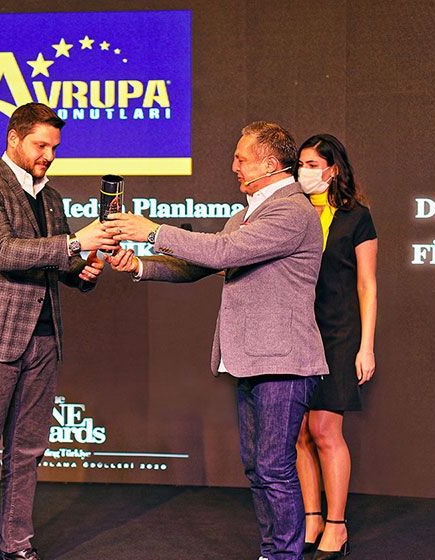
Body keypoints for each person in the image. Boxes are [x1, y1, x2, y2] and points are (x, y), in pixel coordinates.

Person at [103, 121, 328, 560]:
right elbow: (202, 264)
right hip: (252, 360)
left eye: (241, 159)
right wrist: (140, 266)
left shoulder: (292, 211)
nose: (234, 166)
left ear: (270, 164)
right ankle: (272, 552)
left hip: (283, 363)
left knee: (274, 469)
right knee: (258, 469)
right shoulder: (245, 216)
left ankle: (283, 556)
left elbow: (223, 252)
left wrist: (151, 231)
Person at [0, 102, 115, 560]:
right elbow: (4, 252)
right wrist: (76, 242)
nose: (49, 155)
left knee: (27, 451)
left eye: (54, 148)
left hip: (43, 339)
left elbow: (58, 262)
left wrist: (85, 268)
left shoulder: (52, 198)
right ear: (13, 139)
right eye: (41, 145)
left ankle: (17, 545)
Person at [293, 134, 377, 560]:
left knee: (325, 430)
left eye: (312, 164)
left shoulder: (356, 217)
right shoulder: (291, 212)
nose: (304, 171)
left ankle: (337, 525)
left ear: (333, 169)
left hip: (339, 334)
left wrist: (367, 346)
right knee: (299, 433)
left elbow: (367, 284)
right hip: (296, 331)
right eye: (300, 164)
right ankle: (311, 519)